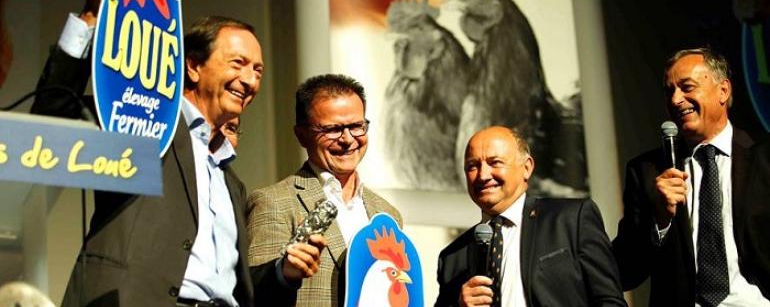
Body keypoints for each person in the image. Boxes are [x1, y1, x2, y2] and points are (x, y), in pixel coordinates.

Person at [30, 0, 264, 307]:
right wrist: (91, 14)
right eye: (238, 63)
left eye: (258, 71)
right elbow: (51, 116)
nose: (249, 80)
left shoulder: (233, 183)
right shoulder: (146, 125)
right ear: (194, 67)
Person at [613, 48, 770, 306]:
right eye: (669, 91)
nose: (675, 100)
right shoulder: (647, 171)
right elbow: (625, 271)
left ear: (723, 91)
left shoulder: (764, 160)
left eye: (687, 87)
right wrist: (659, 220)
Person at [247, 74, 401, 306]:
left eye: (356, 126)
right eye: (332, 129)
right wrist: (284, 273)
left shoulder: (387, 215)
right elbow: (254, 294)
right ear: (302, 135)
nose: (348, 139)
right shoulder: (273, 203)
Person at [435, 126, 626, 307]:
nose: (483, 175)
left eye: (495, 163)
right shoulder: (453, 257)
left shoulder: (571, 220)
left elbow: (610, 301)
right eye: (472, 166)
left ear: (526, 168)